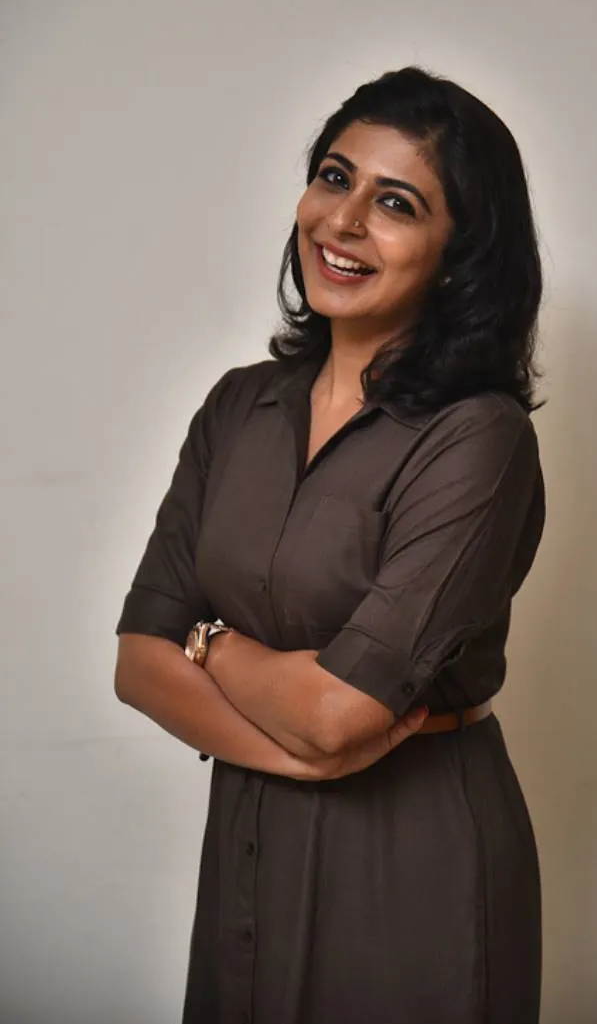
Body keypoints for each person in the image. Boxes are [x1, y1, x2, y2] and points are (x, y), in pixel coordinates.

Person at [113, 65, 548, 1024]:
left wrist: (209, 643)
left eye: (396, 202)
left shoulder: (477, 437)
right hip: (247, 840)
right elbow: (138, 661)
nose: (342, 221)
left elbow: (341, 715)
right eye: (334, 177)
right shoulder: (237, 406)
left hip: (411, 858)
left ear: (460, 254)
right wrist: (292, 756)